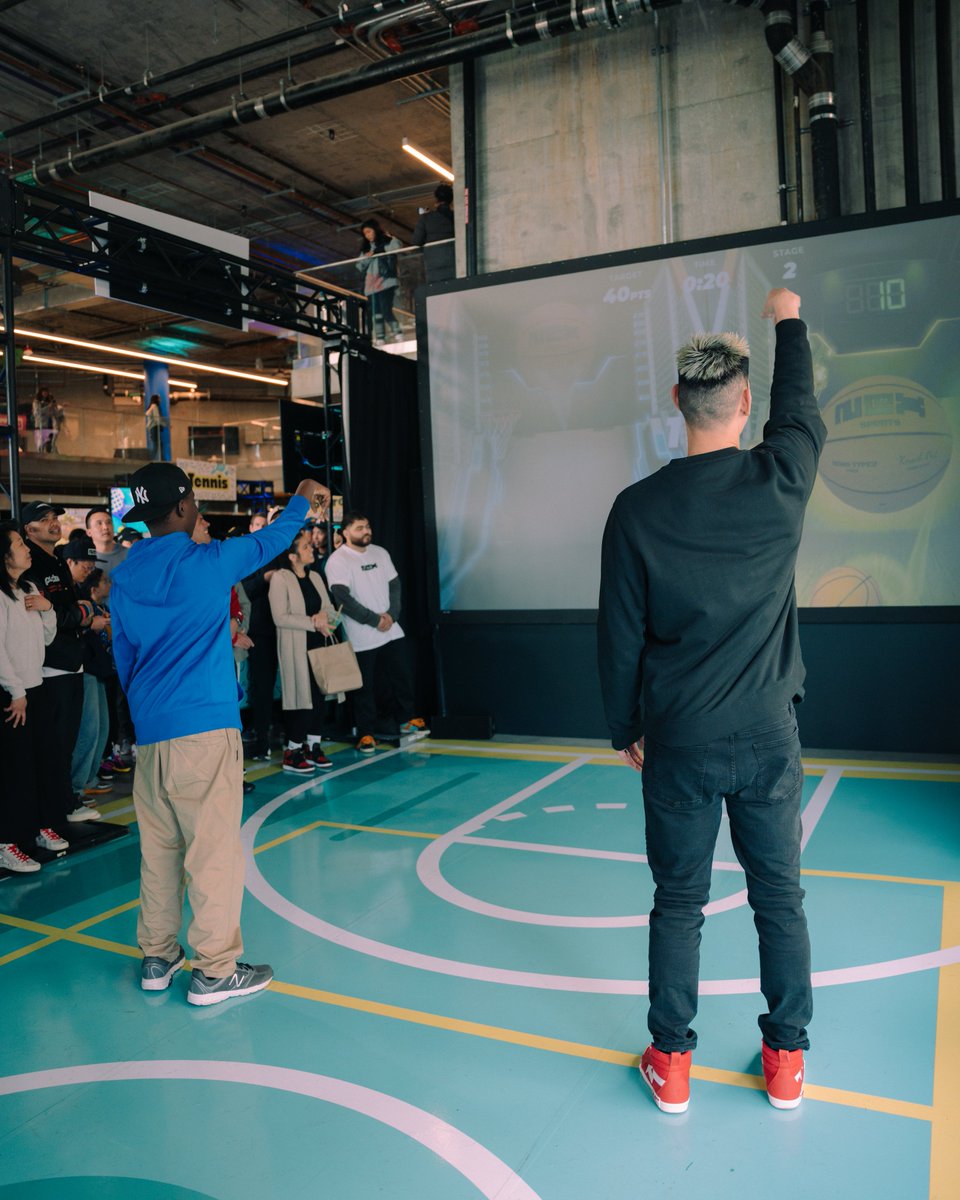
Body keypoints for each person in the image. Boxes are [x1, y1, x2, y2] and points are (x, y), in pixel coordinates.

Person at [597, 288, 826, 1116]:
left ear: (674, 403)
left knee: (679, 904)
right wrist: (787, 320)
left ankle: (671, 1062)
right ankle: (787, 1061)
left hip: (679, 743)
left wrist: (625, 726)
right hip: (769, 734)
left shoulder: (636, 511)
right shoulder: (780, 480)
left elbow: (618, 638)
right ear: (742, 404)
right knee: (780, 900)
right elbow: (800, 411)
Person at [110, 462, 330, 1005]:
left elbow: (124, 658)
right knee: (211, 853)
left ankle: (158, 956)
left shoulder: (125, 576)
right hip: (204, 728)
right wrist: (301, 498)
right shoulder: (208, 562)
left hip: (152, 735)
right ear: (185, 507)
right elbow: (274, 538)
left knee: (159, 850)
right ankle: (214, 970)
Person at [21, 502, 106, 827]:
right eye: (45, 520)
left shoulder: (54, 559)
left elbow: (63, 608)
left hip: (71, 661)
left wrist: (79, 612)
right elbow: (46, 614)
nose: (54, 524)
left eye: (55, 518)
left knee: (69, 741)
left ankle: (64, 804)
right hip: (50, 666)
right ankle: (55, 811)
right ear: (29, 531)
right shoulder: (32, 567)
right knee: (56, 745)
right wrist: (83, 616)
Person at [324, 511, 428, 754]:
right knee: (364, 687)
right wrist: (373, 620)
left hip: (391, 629)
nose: (366, 531)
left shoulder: (380, 553)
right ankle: (366, 732)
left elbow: (395, 585)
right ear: (345, 532)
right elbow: (343, 598)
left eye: (367, 526)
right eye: (359, 528)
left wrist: (392, 614)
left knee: (400, 676)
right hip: (361, 634)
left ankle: (406, 719)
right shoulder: (338, 560)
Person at [0, 522, 64, 871]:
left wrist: (47, 608)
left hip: (35, 688)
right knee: (15, 769)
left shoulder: (28, 587)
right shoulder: (0, 596)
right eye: (19, 544)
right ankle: (7, 841)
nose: (26, 548)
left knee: (41, 763)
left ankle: (36, 827)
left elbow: (48, 638)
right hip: (14, 696)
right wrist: (17, 691)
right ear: (4, 555)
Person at [268, 528, 338, 774]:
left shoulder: (316, 577)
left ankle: (313, 746)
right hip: (296, 647)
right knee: (300, 700)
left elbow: (328, 607)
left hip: (318, 646)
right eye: (306, 547)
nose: (311, 550)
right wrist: (313, 621)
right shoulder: (281, 579)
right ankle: (293, 750)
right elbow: (279, 617)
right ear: (292, 555)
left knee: (319, 698)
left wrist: (323, 616)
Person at [357, 220, 402, 343]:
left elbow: (397, 247)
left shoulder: (386, 242)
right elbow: (359, 266)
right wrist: (369, 256)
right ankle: (380, 337)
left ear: (375, 230)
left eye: (369, 231)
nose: (367, 235)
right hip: (371, 286)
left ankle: (397, 332)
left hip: (386, 282)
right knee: (376, 313)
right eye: (365, 233)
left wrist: (391, 237)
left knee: (386, 309)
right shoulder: (365, 248)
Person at [411, 183, 455, 285]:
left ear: (436, 200)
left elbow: (416, 240)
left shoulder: (427, 218)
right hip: (455, 259)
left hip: (434, 262)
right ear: (451, 200)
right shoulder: (457, 217)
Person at [85, 506, 128, 579]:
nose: (105, 527)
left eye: (108, 522)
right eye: (99, 523)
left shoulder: (129, 554)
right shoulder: (85, 559)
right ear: (89, 532)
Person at [144, 394, 167, 460]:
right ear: (156, 399)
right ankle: (152, 459)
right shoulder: (154, 406)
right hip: (154, 427)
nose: (160, 400)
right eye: (159, 399)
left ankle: (161, 459)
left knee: (158, 445)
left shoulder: (151, 407)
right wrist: (165, 424)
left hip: (152, 428)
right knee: (157, 445)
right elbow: (157, 418)